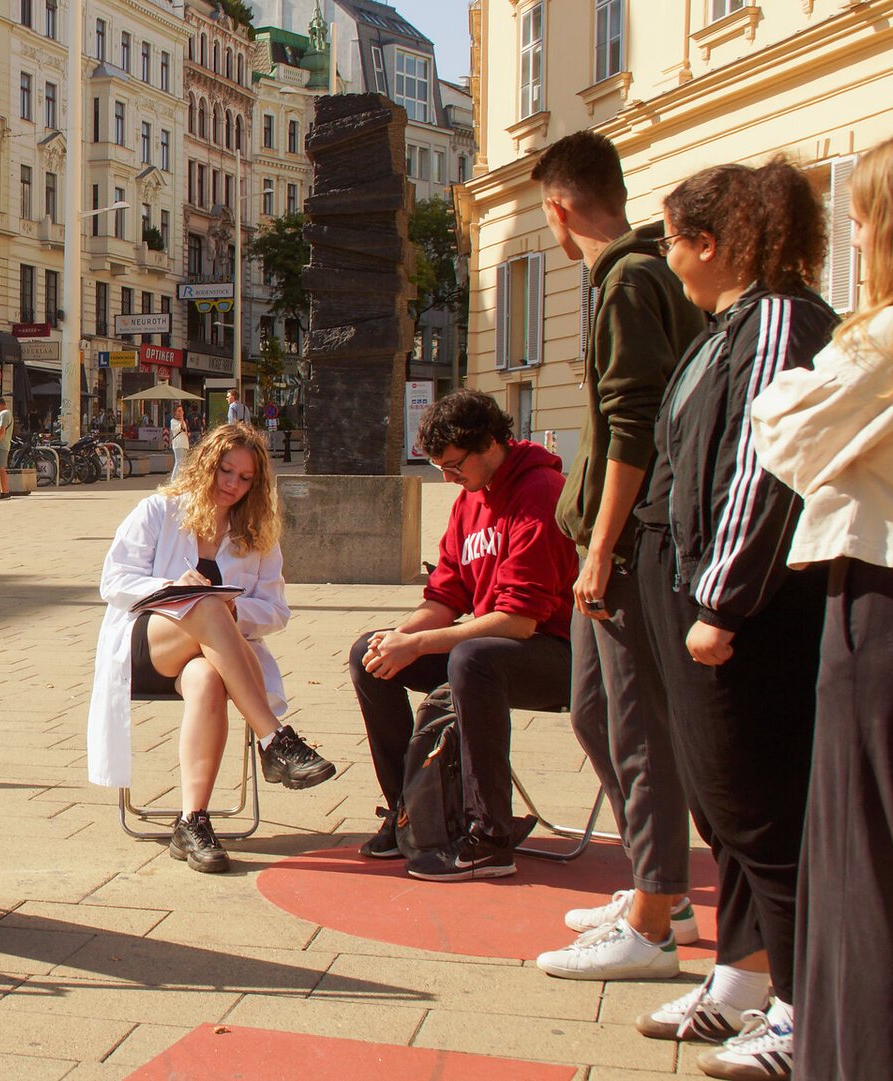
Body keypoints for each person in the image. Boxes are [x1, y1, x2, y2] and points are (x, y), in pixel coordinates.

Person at [628, 160, 837, 1081]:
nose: (668, 259)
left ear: (710, 242)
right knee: (726, 810)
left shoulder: (781, 321)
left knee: (762, 816)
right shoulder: (733, 323)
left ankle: (803, 1013)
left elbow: (762, 468)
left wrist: (721, 600)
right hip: (695, 587)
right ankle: (743, 984)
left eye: (672, 239)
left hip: (738, 609)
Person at [748, 129, 893, 1081]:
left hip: (884, 605)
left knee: (868, 869)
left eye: (863, 220)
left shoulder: (890, 336)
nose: (855, 239)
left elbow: (781, 431)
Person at [529, 131, 708, 981]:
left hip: (627, 544)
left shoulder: (632, 280)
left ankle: (656, 914)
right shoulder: (632, 275)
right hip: (611, 539)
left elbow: (634, 424)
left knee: (634, 724)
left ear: (559, 208)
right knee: (596, 713)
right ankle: (654, 884)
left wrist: (600, 549)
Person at [347, 390, 576, 882]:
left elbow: (520, 621)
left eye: (454, 467)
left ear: (491, 443)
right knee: (369, 651)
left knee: (472, 659)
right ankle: (407, 812)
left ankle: (489, 836)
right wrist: (399, 638)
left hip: (557, 654)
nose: (449, 480)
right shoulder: (469, 501)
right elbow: (445, 598)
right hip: (490, 645)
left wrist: (420, 644)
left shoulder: (540, 491)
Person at [88, 423, 335, 874]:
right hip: (148, 645)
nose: (233, 485)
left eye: (245, 479)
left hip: (212, 657)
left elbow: (277, 610)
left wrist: (235, 615)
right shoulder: (159, 510)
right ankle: (274, 739)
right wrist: (172, 587)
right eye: (226, 471)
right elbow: (114, 581)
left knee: (205, 675)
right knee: (202, 600)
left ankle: (191, 821)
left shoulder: (256, 533)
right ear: (207, 464)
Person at [169, 402, 190, 479]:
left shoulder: (183, 421)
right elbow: (178, 429)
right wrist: (181, 419)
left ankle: (180, 478)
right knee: (178, 461)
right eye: (179, 411)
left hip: (184, 443)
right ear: (175, 412)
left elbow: (185, 431)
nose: (181, 412)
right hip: (178, 443)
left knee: (183, 462)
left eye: (181, 411)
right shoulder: (173, 421)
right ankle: (173, 479)